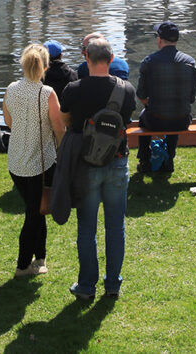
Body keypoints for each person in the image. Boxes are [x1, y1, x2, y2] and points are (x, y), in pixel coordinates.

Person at [58, 37, 138, 299]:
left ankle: (87, 285)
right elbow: (126, 122)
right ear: (112, 59)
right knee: (116, 226)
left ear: (86, 58)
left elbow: (66, 120)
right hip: (117, 160)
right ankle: (113, 284)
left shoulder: (73, 89)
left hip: (86, 164)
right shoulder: (127, 90)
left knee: (87, 228)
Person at [3, 44, 63, 277]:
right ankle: (23, 265)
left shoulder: (11, 88)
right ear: (45, 67)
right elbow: (58, 128)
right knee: (34, 214)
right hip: (40, 163)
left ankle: (40, 257)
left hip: (16, 161)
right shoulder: (47, 93)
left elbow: (9, 121)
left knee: (36, 210)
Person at [135, 22, 196, 174]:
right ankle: (169, 158)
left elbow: (141, 95)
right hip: (182, 121)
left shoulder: (149, 62)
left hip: (156, 120)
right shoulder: (190, 62)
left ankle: (144, 160)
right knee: (177, 111)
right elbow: (191, 98)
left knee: (143, 116)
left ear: (159, 39)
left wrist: (149, 104)